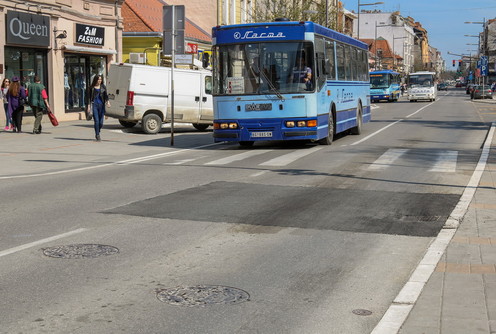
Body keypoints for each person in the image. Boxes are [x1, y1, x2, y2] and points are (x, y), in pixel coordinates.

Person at [86, 74, 110, 141]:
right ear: (95, 80)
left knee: (101, 122)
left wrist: (108, 102)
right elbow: (88, 98)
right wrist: (88, 106)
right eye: (98, 79)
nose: (100, 81)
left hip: (101, 106)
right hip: (94, 105)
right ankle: (97, 135)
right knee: (96, 121)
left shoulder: (103, 87)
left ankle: (98, 129)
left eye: (100, 79)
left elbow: (106, 96)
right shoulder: (91, 87)